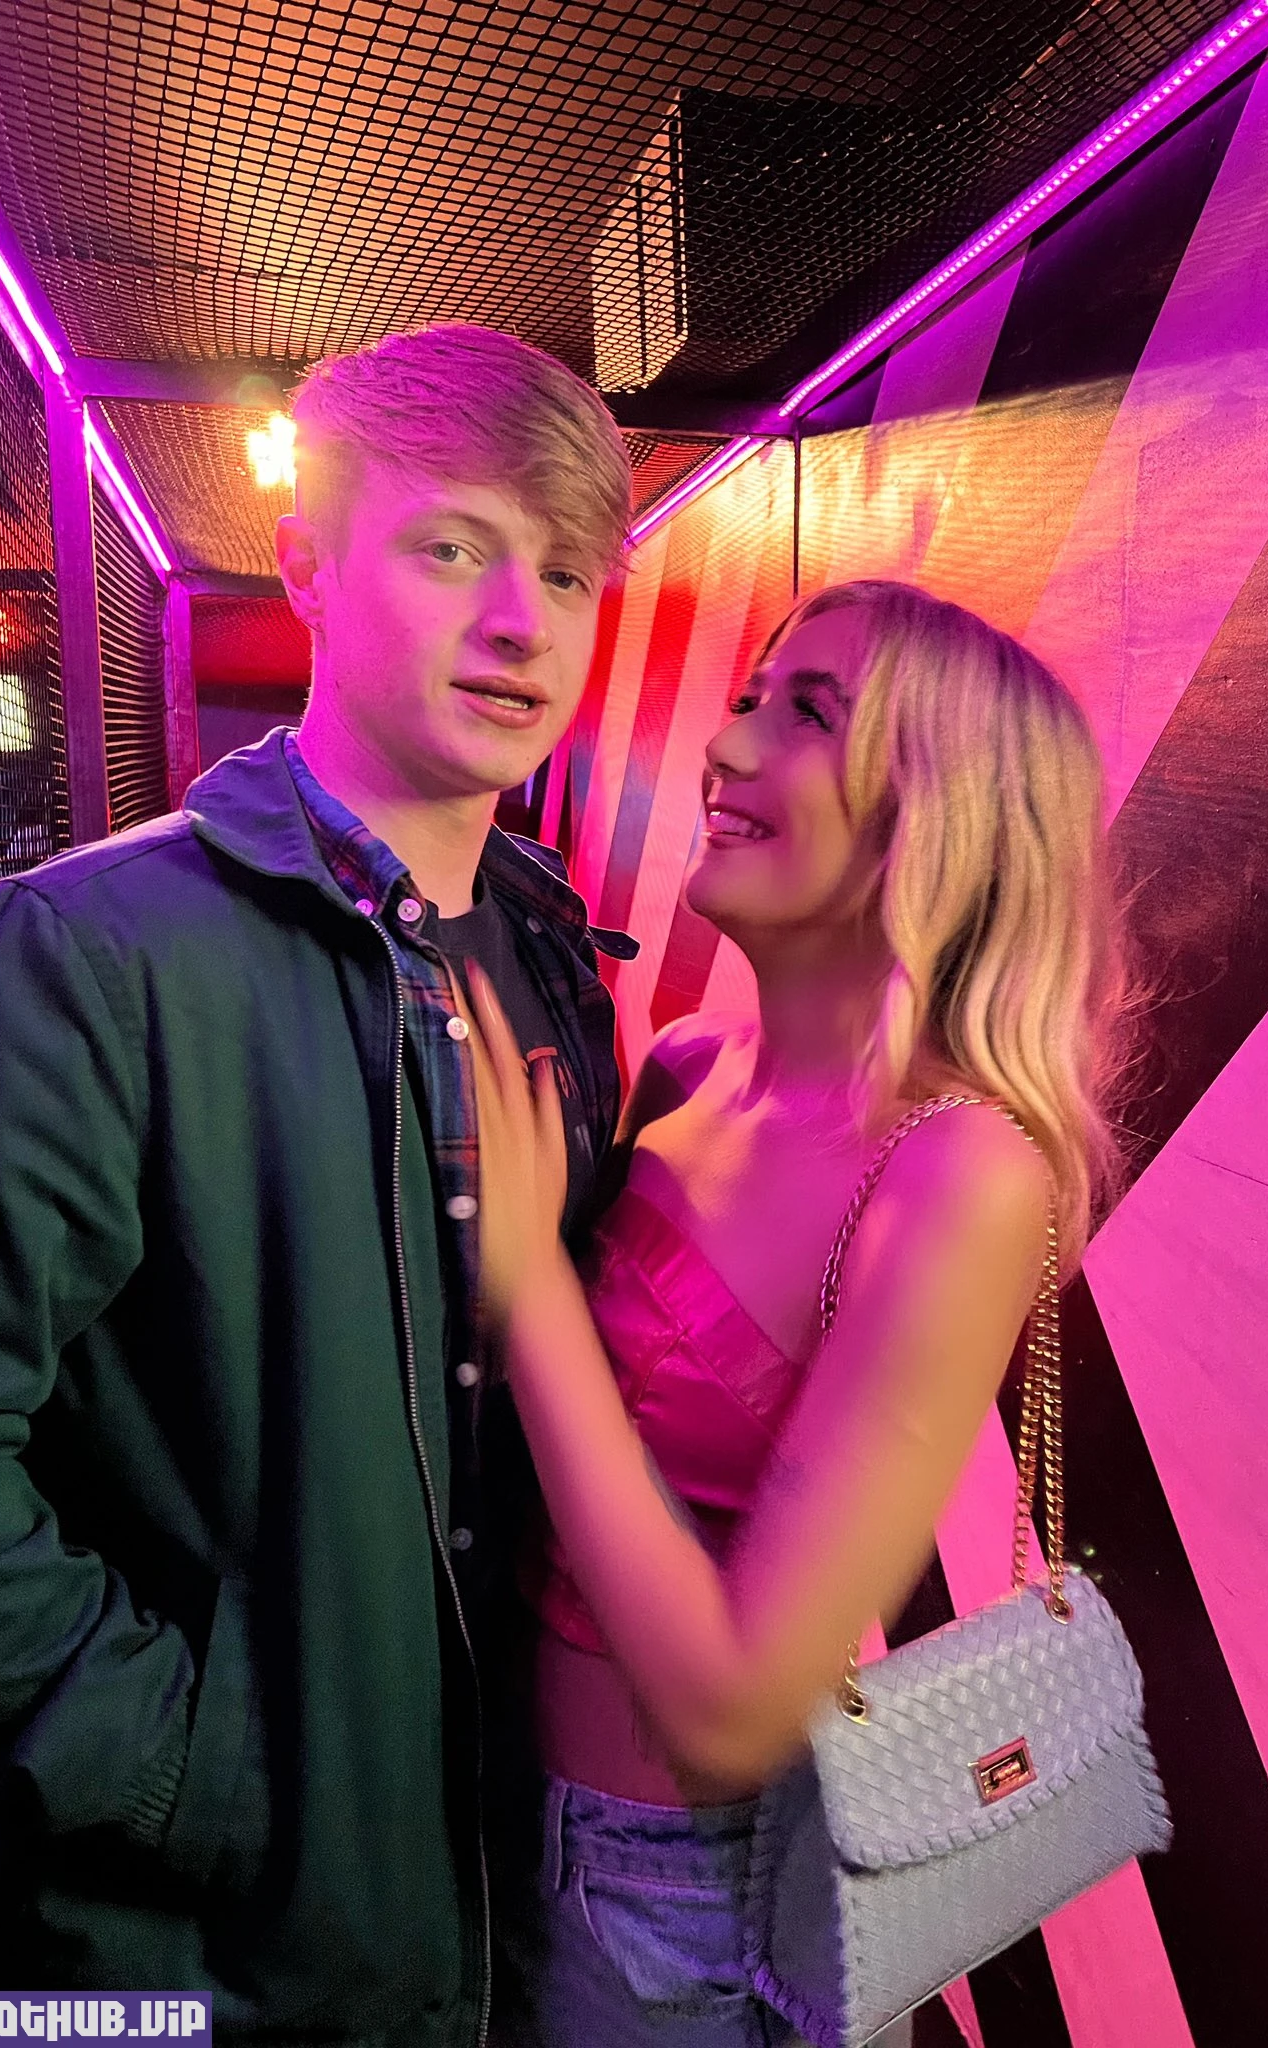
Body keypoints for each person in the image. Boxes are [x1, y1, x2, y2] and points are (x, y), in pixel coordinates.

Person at [0, 323, 631, 2042]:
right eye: (452, 547)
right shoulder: (81, 955)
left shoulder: (556, 953)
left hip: (502, 1912)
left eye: (564, 569)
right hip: (187, 1959)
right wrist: (184, 1769)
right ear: (307, 566)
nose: (521, 619)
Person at [463, 579, 1129, 2045]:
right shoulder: (686, 1067)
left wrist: (529, 1288)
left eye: (809, 716)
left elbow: (734, 1712)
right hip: (496, 1790)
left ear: (938, 813)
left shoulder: (960, 1169)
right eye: (750, 699)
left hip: (682, 1902)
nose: (726, 746)